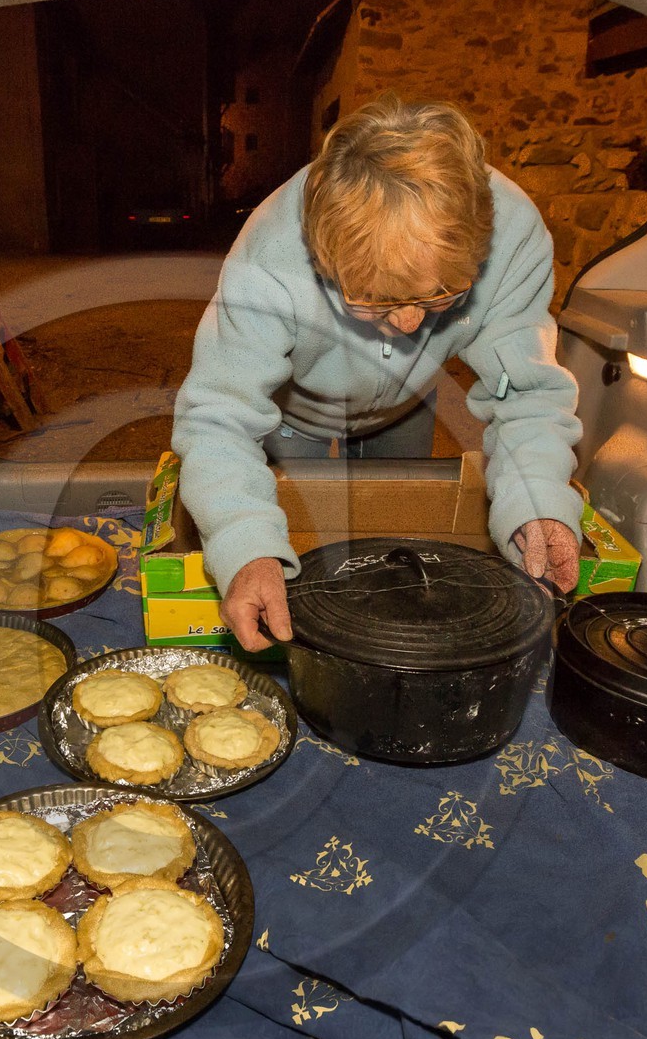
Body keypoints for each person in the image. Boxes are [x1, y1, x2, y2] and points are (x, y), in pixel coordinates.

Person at [171, 93, 584, 652]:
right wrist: (245, 545)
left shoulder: (515, 238)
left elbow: (527, 398)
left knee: (395, 558)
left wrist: (537, 508)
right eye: (376, 300)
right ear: (323, 258)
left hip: (410, 402)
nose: (411, 322)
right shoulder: (267, 259)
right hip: (296, 416)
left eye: (440, 294)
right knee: (309, 556)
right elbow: (219, 418)